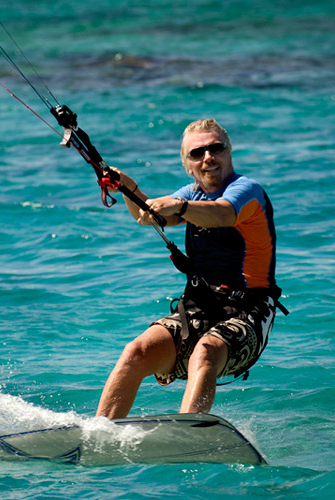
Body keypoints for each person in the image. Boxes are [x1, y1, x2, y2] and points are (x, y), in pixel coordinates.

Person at [96, 118, 282, 419]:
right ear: (188, 165)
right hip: (199, 309)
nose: (208, 157)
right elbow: (148, 216)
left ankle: (188, 433)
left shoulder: (247, 191)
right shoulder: (190, 195)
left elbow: (223, 214)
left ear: (229, 152)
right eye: (197, 153)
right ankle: (99, 434)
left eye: (215, 148)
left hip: (249, 311)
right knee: (135, 352)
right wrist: (128, 187)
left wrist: (179, 207)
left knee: (205, 351)